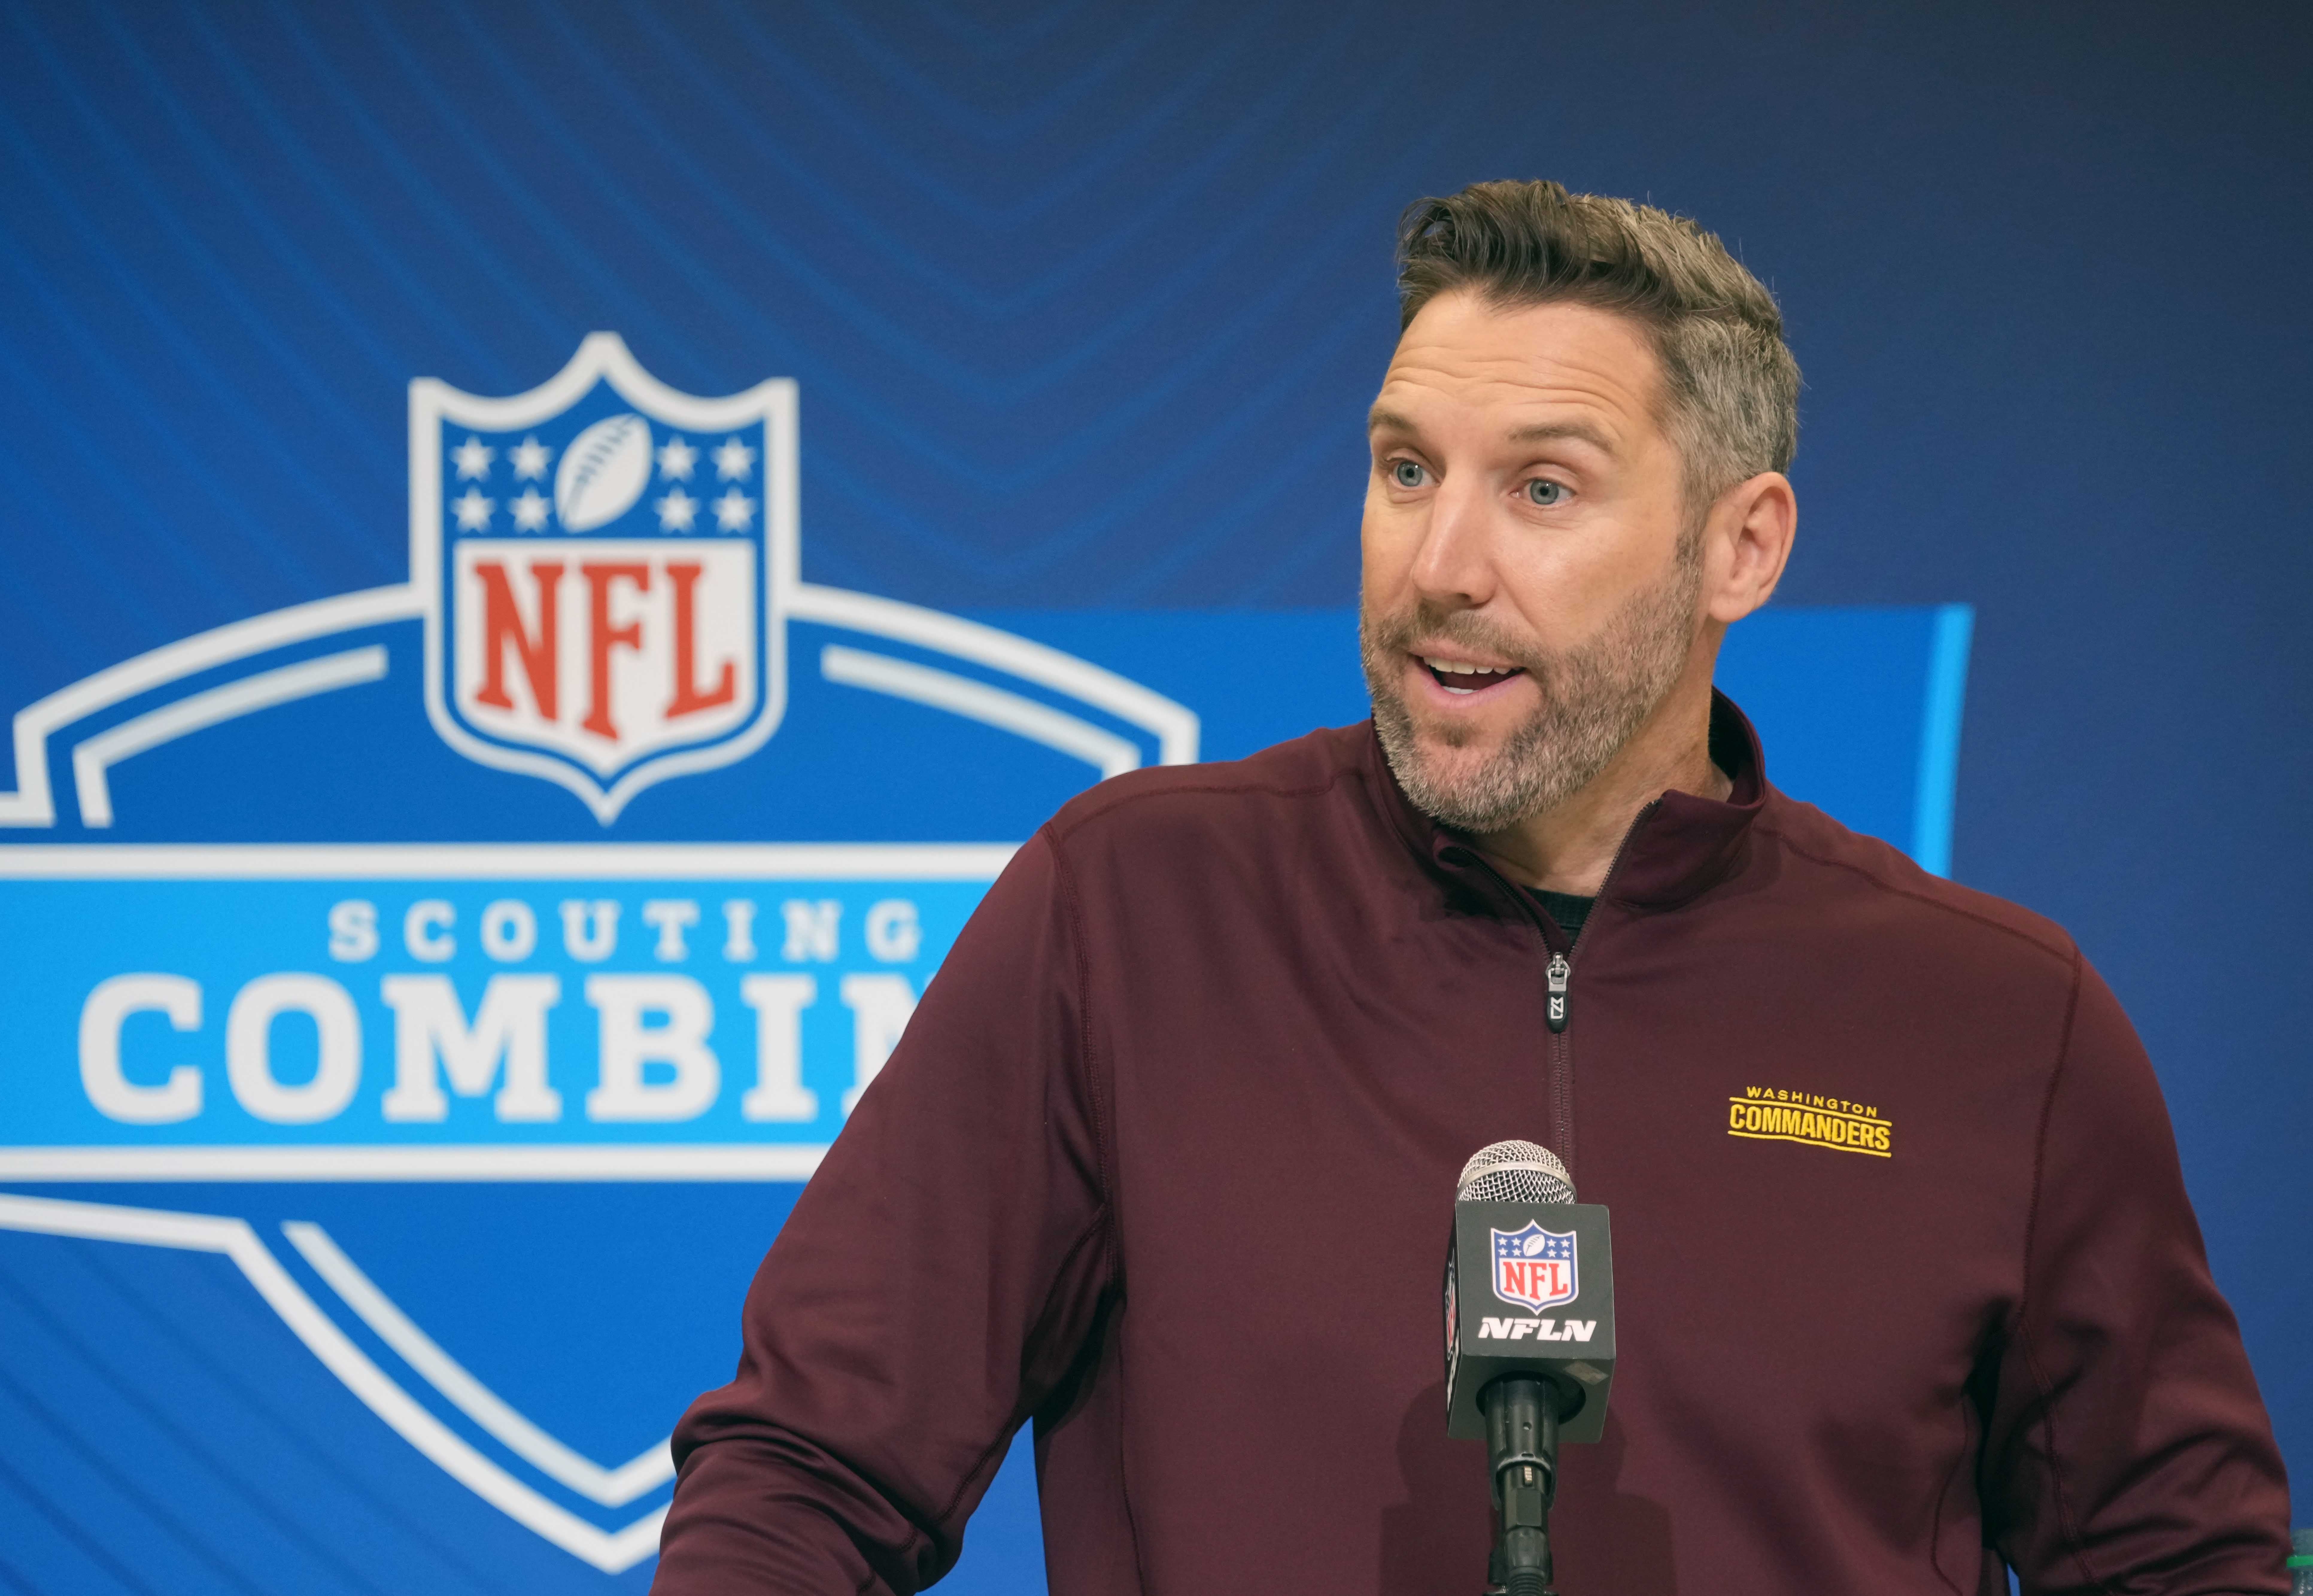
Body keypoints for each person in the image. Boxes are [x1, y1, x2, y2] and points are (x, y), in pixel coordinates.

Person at [650, 180, 2290, 1595]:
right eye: (1404, 468)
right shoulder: (1133, 909)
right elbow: (804, 1477)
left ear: (1742, 547)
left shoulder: (1993, 1019)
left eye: (1543, 488)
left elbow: (2174, 1556)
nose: (1439, 562)